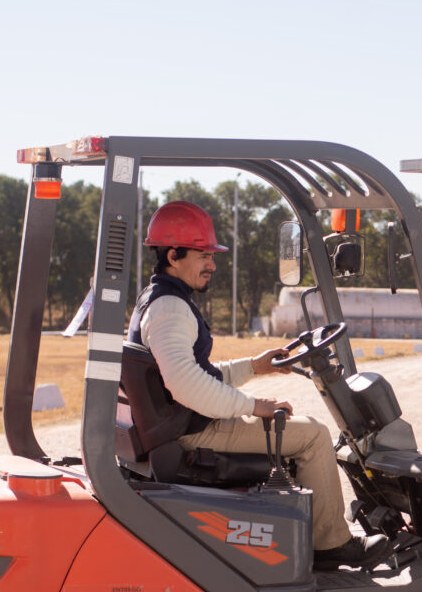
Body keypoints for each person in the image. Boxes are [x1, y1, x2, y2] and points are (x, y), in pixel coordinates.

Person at [129, 200, 374, 569]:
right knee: (314, 436)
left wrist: (255, 366)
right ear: (173, 254)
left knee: (299, 429)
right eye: (203, 255)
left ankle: (307, 529)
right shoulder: (172, 309)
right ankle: (330, 545)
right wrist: (252, 405)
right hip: (191, 433)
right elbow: (186, 386)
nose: (212, 264)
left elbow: (196, 373)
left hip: (180, 423)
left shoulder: (161, 301)